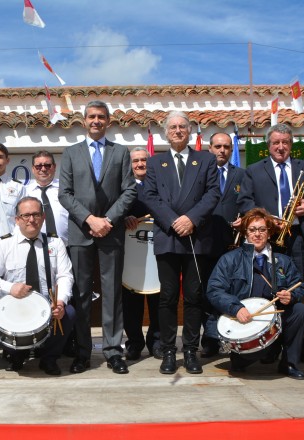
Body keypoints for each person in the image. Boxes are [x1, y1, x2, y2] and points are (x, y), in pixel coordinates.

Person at [237, 123, 304, 365]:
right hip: (267, 240)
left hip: (297, 237)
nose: (280, 147)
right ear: (269, 146)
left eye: (285, 142)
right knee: (268, 292)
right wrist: (266, 218)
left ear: (291, 145)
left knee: (297, 293)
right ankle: (270, 345)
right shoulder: (253, 171)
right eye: (276, 142)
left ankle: (300, 345)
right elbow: (244, 203)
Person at [58, 100, 136, 374]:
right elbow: (64, 194)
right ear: (84, 120)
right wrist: (90, 219)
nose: (96, 121)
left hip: (112, 234)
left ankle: (114, 351)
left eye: (101, 117)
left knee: (112, 293)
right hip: (81, 233)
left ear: (108, 122)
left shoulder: (121, 153)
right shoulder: (70, 153)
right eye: (91, 116)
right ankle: (82, 352)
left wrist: (108, 220)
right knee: (80, 295)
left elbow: (129, 191)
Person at [142, 112, 220, 375]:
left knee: (194, 297)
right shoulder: (155, 163)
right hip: (168, 237)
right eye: (173, 127)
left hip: (195, 238)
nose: (177, 131)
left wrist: (191, 220)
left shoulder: (206, 159)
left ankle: (190, 350)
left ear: (189, 131)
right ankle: (167, 351)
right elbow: (150, 196)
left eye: (182, 127)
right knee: (167, 297)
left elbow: (213, 194)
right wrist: (175, 221)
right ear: (166, 132)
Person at [207, 208, 304, 380]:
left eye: (262, 229)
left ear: (269, 233)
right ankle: (262, 353)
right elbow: (214, 290)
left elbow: (299, 286)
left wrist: (292, 296)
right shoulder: (230, 259)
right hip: (243, 323)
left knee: (299, 310)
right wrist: (235, 308)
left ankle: (289, 363)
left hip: (274, 320)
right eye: (252, 230)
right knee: (241, 363)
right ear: (245, 233)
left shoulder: (283, 260)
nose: (257, 234)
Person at [0, 197, 75, 376]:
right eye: (26, 215)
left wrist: (60, 302)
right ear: (17, 219)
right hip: (16, 305)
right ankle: (16, 355)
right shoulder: (4, 244)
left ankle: (49, 358)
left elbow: (65, 276)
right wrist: (10, 287)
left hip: (47, 305)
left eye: (36, 214)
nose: (31, 219)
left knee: (68, 313)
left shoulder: (55, 243)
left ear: (43, 217)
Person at [198, 132, 245, 358]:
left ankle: (230, 337)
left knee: (229, 293)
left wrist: (245, 218)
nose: (222, 150)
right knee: (206, 293)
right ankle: (209, 339)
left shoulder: (241, 175)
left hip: (231, 246)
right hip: (204, 243)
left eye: (226, 147)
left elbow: (247, 202)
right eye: (217, 146)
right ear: (210, 148)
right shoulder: (200, 174)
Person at [122, 147, 161, 360]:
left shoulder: (160, 186)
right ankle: (134, 343)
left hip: (157, 252)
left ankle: (157, 342)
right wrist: (125, 216)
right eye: (135, 161)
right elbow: (115, 209)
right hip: (132, 255)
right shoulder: (124, 188)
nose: (140, 164)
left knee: (158, 300)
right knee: (131, 302)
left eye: (143, 160)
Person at [24, 150, 69, 244]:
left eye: (47, 165)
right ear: (33, 168)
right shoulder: (24, 192)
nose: (43, 169)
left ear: (54, 167)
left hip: (66, 247)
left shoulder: (67, 189)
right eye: (38, 166)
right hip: (36, 247)